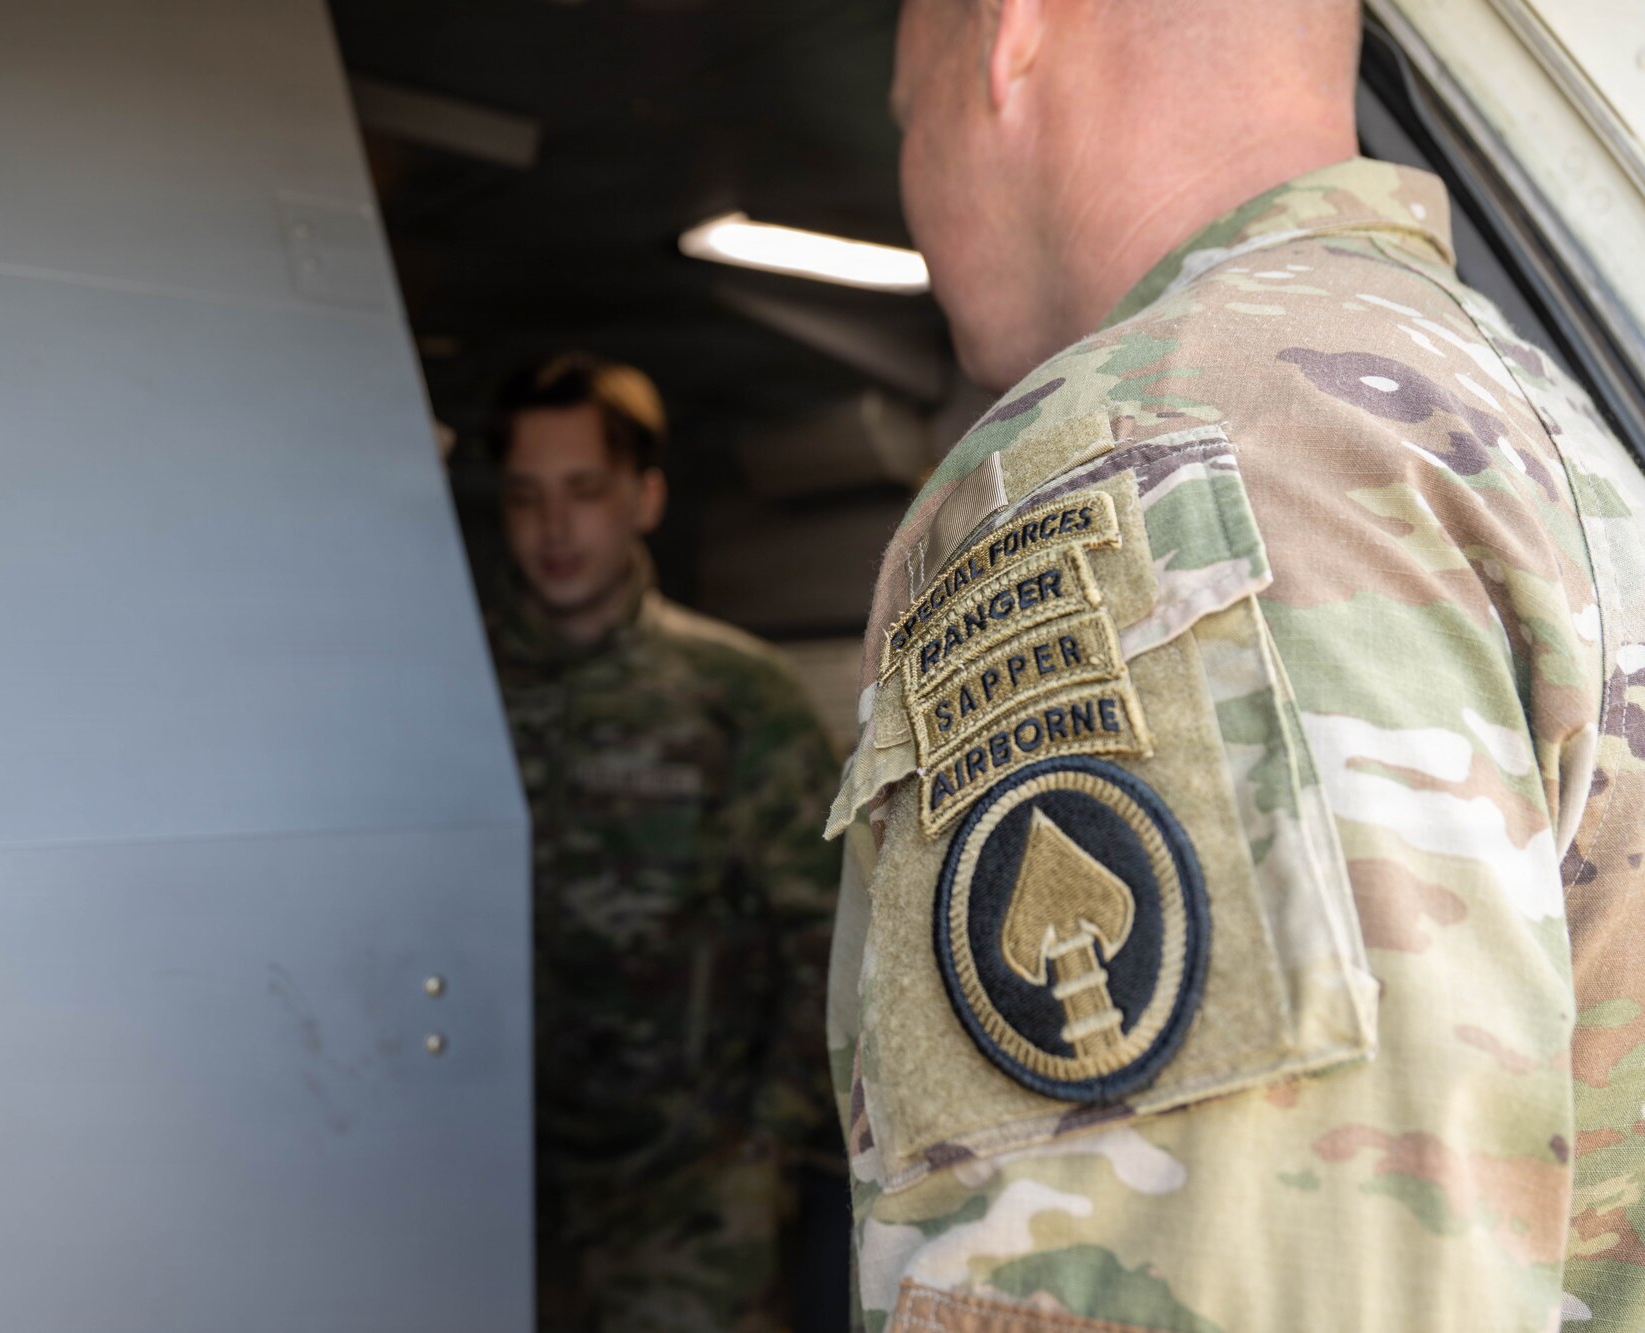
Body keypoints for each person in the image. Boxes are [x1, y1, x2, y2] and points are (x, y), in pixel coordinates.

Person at [824, 2, 1645, 1330]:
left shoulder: (1144, 452)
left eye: (905, 120)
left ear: (1009, 38)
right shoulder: (1536, 424)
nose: (914, 189)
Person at [483, 352, 843, 1333]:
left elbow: (829, 940)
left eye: (583, 492)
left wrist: (763, 1152)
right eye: (525, 497)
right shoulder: (457, 692)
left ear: (643, 498)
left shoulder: (735, 695)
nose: (553, 529)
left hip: (690, 1197)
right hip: (493, 1181)